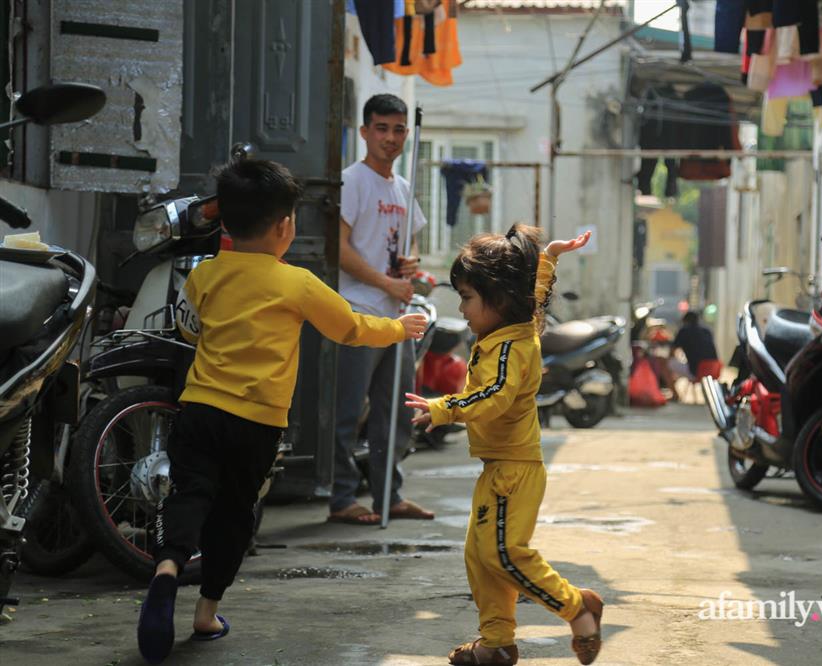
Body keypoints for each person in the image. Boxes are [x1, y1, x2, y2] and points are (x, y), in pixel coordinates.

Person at [135, 159, 427, 665]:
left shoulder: (204, 275)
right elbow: (350, 328)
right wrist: (399, 329)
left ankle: (166, 570)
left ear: (226, 222)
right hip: (257, 422)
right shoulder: (297, 283)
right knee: (234, 512)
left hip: (201, 408)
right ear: (284, 226)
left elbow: (188, 329)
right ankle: (206, 614)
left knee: (187, 494)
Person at [406, 225, 604, 666]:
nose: (462, 308)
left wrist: (444, 408)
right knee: (481, 556)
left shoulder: (509, 348)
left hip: (514, 471)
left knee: (504, 554)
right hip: (500, 467)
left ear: (498, 298)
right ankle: (496, 642)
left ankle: (578, 607)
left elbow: (494, 396)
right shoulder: (514, 326)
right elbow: (534, 295)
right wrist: (549, 258)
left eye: (467, 298)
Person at [328, 93, 435, 525]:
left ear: (407, 134)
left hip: (396, 315)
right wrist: (386, 282)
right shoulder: (351, 182)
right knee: (349, 411)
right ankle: (341, 498)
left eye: (398, 130)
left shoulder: (403, 187)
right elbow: (339, 249)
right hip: (358, 312)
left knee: (396, 412)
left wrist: (410, 262)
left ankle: (389, 495)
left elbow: (411, 242)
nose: (390, 138)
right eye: (382, 128)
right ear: (365, 132)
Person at [666, 311, 719, 400]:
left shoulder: (684, 330)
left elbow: (672, 351)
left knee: (665, 363)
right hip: (715, 369)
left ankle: (675, 394)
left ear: (685, 321)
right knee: (680, 365)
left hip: (697, 371)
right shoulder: (707, 331)